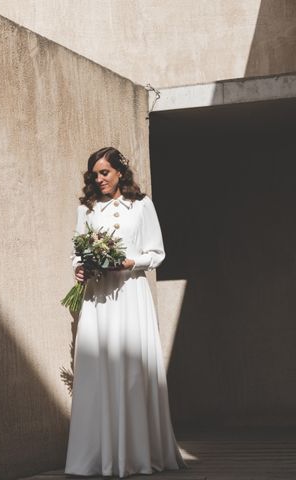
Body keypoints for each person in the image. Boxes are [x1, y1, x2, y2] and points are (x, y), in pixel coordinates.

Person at [64, 146, 187, 478]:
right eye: (95, 175)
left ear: (120, 171)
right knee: (98, 369)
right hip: (98, 298)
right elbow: (78, 250)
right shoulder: (86, 209)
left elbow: (156, 252)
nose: (99, 179)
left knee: (133, 370)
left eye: (104, 172)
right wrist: (80, 268)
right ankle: (96, 457)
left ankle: (137, 455)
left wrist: (130, 262)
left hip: (131, 293)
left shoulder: (141, 205)